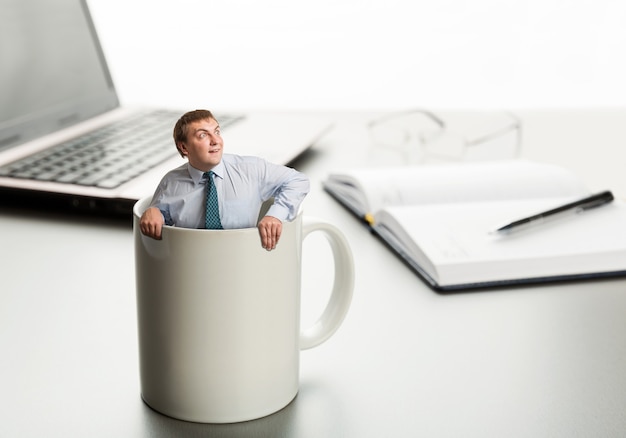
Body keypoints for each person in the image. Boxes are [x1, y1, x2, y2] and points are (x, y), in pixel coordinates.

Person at [140, 109, 310, 250]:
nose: (216, 141)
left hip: (245, 266)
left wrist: (276, 215)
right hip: (192, 272)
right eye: (202, 135)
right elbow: (158, 218)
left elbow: (298, 181)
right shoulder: (170, 183)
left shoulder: (251, 170)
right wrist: (154, 212)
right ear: (184, 147)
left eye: (217, 132)